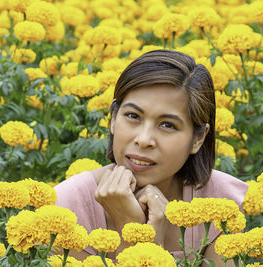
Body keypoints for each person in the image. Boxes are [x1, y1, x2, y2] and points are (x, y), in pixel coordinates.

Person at [55, 49, 248, 266]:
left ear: (198, 138)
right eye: (133, 116)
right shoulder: (67, 207)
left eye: (167, 125)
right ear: (113, 119)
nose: (144, 139)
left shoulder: (220, 204)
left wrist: (150, 244)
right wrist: (132, 229)